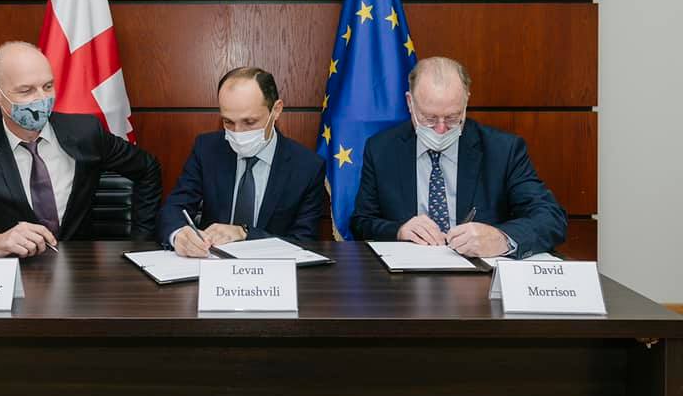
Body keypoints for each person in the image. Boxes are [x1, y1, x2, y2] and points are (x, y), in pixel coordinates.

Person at [0, 41, 161, 258]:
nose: (41, 99)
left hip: (83, 277)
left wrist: (140, 244)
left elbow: (148, 169)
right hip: (15, 279)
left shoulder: (86, 132)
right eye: (26, 91)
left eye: (48, 86)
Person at [350, 56, 566, 258]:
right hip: (405, 274)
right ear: (410, 103)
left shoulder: (503, 150)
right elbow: (362, 222)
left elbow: (550, 218)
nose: (441, 129)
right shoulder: (382, 149)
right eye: (429, 118)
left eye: (452, 118)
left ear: (466, 102)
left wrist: (502, 238)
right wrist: (399, 230)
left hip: (479, 276)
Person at [158, 67, 325, 258]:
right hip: (211, 264)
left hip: (272, 268)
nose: (238, 132)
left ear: (276, 110)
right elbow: (173, 209)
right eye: (228, 122)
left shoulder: (307, 166)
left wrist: (245, 233)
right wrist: (179, 234)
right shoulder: (207, 149)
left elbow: (304, 241)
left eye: (250, 122)